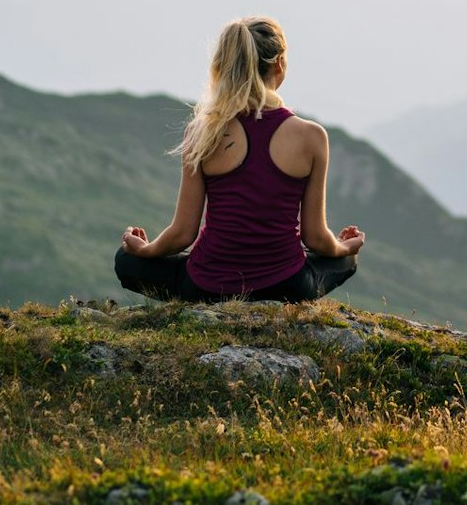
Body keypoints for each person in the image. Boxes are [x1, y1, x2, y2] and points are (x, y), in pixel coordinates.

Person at [114, 16, 364, 302]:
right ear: (279, 64)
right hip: (288, 286)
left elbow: (183, 234)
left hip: (207, 287)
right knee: (344, 261)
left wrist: (144, 250)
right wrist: (346, 248)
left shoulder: (203, 131)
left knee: (126, 259)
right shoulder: (312, 136)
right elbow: (316, 238)